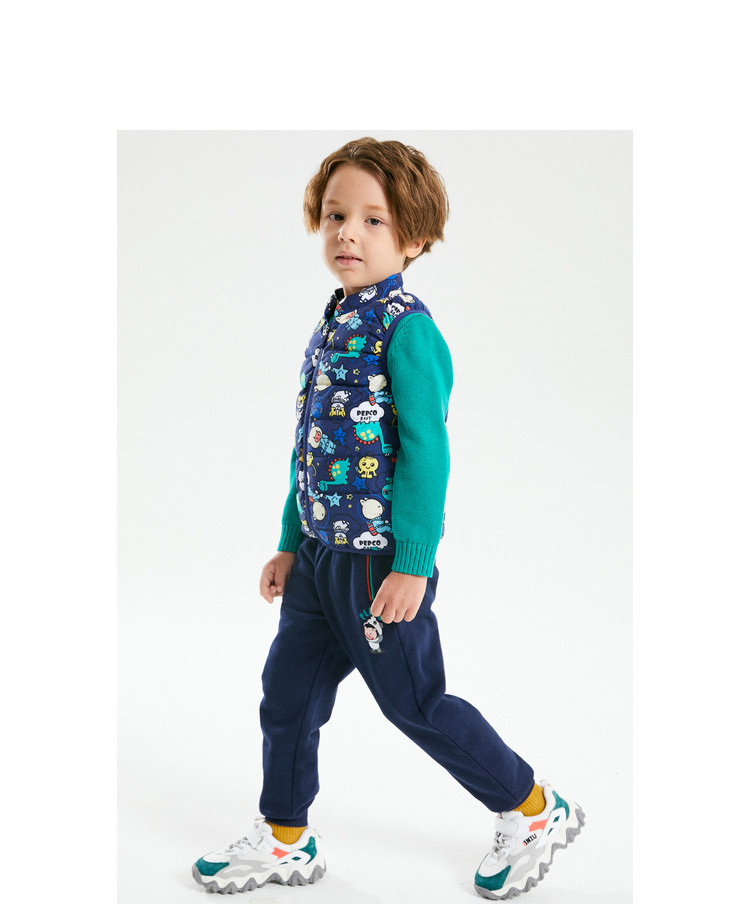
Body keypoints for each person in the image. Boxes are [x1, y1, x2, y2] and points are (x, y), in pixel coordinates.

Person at [192, 137, 584, 900]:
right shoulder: (331, 323)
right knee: (287, 693)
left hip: (378, 563)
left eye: (374, 220)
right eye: (336, 216)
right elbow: (313, 446)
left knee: (415, 702)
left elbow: (427, 453)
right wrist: (288, 541)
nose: (348, 232)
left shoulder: (407, 330)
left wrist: (412, 561)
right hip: (318, 558)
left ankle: (533, 806)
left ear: (414, 239)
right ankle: (285, 835)